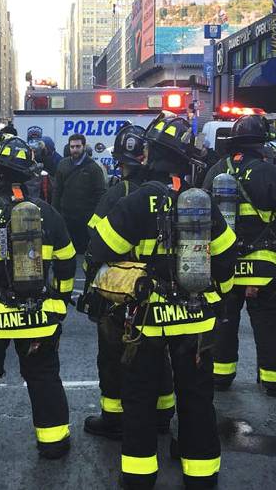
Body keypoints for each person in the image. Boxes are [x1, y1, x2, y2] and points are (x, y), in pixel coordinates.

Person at [88, 113, 237, 490]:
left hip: (145, 319)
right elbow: (225, 260)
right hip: (196, 316)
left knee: (139, 396)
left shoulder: (138, 199)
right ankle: (201, 475)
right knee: (197, 398)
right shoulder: (199, 203)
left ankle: (139, 477)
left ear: (150, 152)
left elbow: (99, 248)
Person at [0, 136, 76, 462]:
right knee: (43, 376)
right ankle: (53, 443)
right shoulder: (48, 214)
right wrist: (59, 303)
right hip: (39, 316)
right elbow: (67, 262)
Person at [81, 124, 177, 441]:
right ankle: (164, 413)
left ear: (124, 162)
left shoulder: (119, 193)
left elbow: (95, 244)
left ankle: (114, 417)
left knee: (113, 357)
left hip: (121, 293)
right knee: (158, 354)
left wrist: (90, 288)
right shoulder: (170, 192)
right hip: (166, 291)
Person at [201, 116, 276, 396]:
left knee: (223, 320)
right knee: (270, 323)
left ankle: (219, 375)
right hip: (261, 265)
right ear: (261, 145)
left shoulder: (216, 171)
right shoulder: (268, 172)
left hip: (223, 265)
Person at [53, 133, 105, 254]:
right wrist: (54, 212)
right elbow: (57, 190)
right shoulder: (62, 164)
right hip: (66, 218)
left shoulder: (93, 168)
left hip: (85, 221)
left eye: (78, 146)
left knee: (83, 254)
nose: (75, 149)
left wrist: (96, 218)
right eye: (72, 147)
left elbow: (100, 194)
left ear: (84, 146)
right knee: (67, 252)